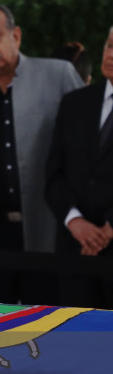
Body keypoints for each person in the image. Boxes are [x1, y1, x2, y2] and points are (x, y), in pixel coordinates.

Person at [0, 4, 84, 305]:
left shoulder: (58, 75)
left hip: (49, 229)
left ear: (15, 36)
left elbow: (83, 148)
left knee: (49, 329)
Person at [45, 27, 113, 308]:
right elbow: (53, 173)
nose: (111, 54)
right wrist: (75, 221)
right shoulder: (75, 102)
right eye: (110, 45)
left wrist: (109, 228)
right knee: (73, 344)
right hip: (74, 252)